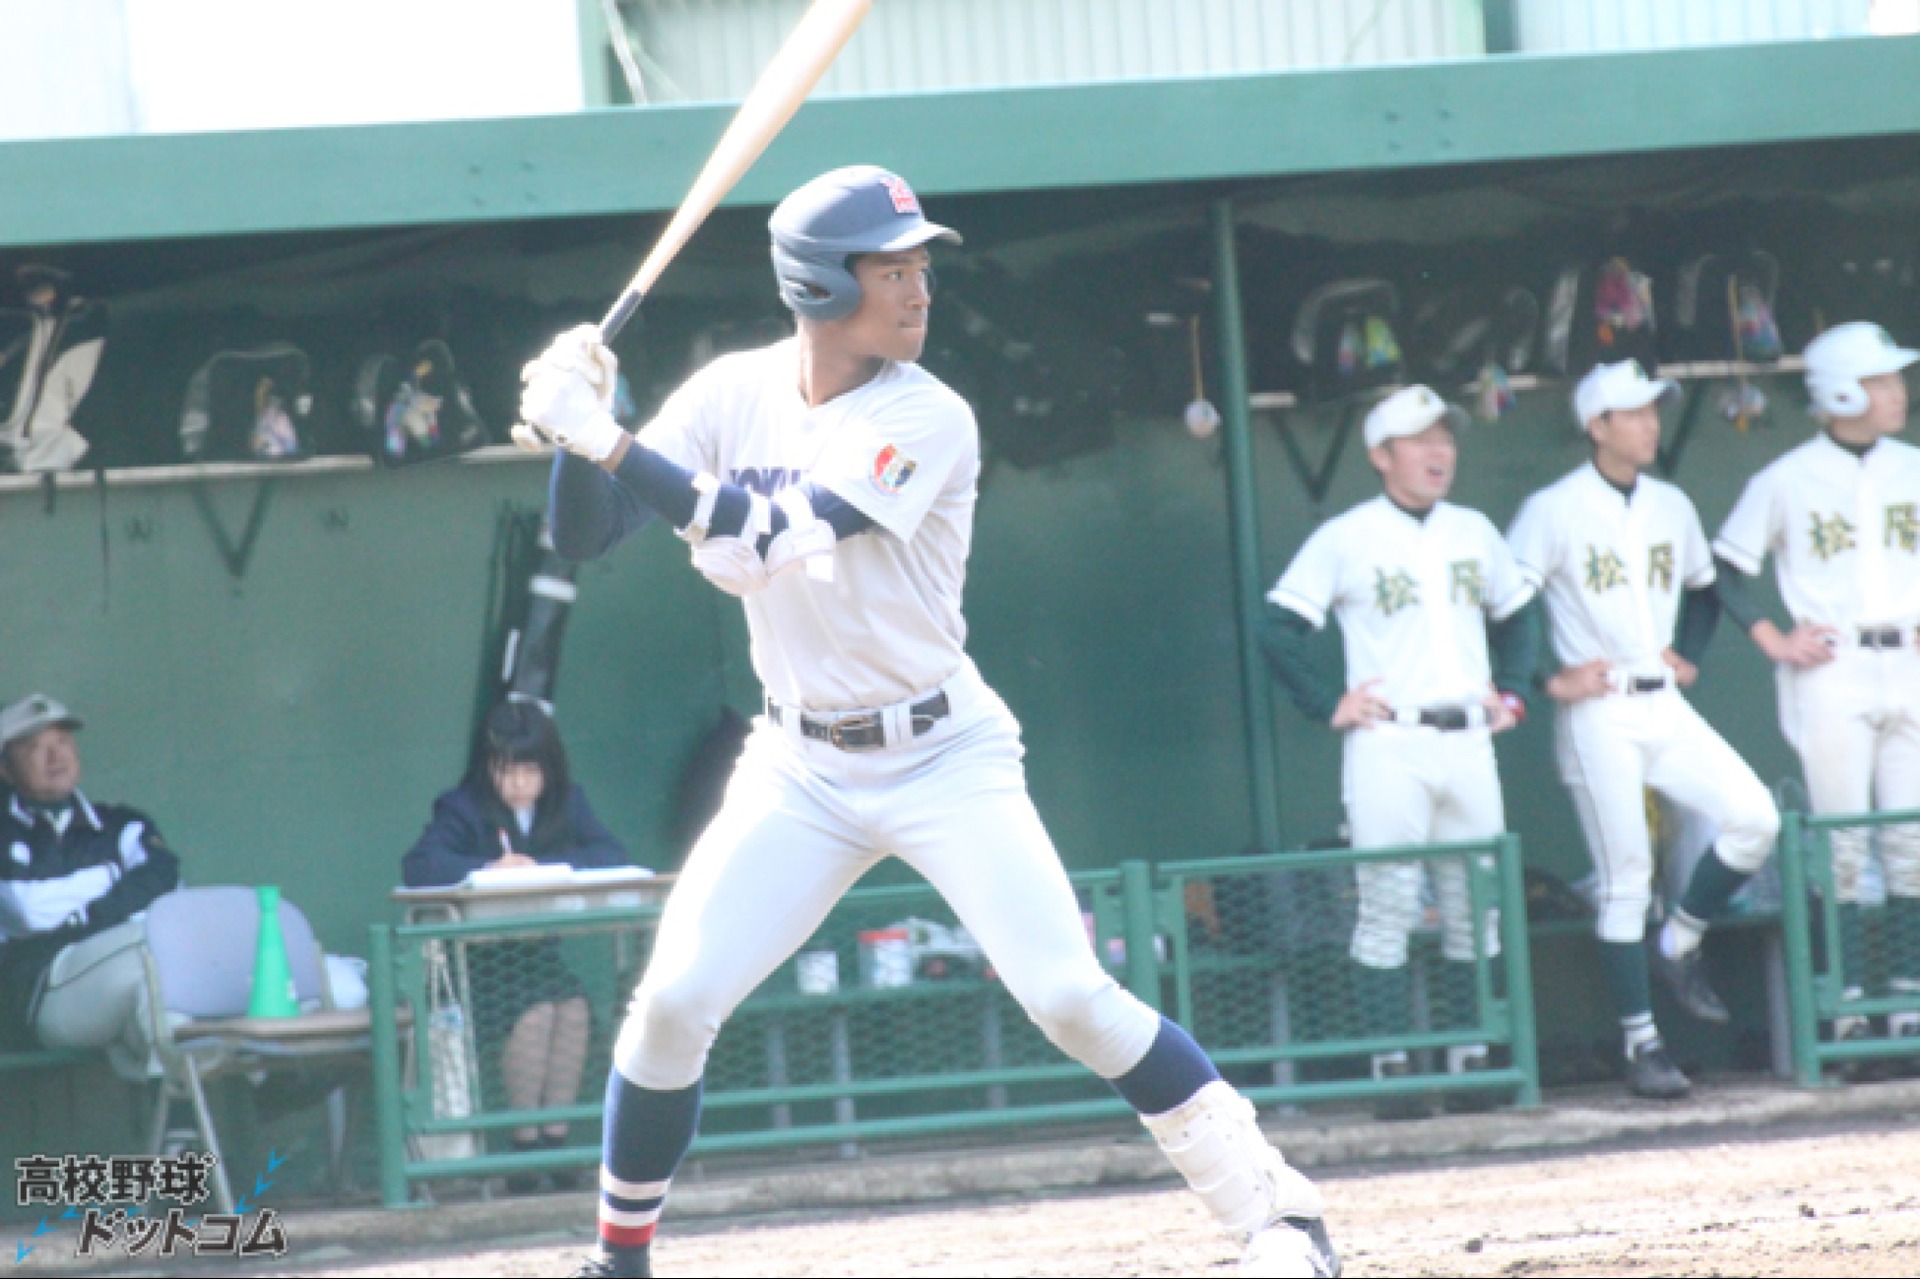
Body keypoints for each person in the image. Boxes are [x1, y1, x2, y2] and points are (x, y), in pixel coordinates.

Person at [519, 166, 1341, 1279]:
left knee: (1069, 997)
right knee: (670, 1004)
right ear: (819, 283)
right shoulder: (730, 391)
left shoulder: (928, 413)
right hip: (799, 764)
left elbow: (770, 535)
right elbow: (587, 533)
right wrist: (574, 429)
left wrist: (610, 440)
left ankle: (1280, 1217)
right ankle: (619, 1262)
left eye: (920, 267)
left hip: (944, 752)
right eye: (891, 268)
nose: (919, 290)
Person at [1260, 385, 1539, 1116]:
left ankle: (1473, 1058)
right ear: (1382, 456)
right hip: (1389, 741)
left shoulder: (1474, 530)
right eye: (1420, 440)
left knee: (1474, 904)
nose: (1439, 452)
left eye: (1444, 438)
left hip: (1468, 737)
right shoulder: (1348, 535)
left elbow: (1519, 616)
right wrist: (1328, 703)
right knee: (1386, 905)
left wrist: (1513, 693)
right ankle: (1393, 1071)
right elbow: (1277, 628)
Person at [1507, 360, 1780, 1100]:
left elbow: (1706, 588)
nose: (1650, 423)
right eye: (1633, 413)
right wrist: (1545, 679)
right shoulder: (1553, 508)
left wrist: (1689, 653)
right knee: (1626, 877)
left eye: (1654, 410)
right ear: (1598, 427)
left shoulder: (1670, 504)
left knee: (1755, 817)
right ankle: (1643, 1045)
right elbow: (1509, 604)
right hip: (1598, 713)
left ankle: (1679, 940)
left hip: (1663, 703)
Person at [1713, 322, 1920, 1049]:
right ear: (1841, 392)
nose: (1898, 392)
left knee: (1911, 841)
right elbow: (1724, 568)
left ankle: (1908, 1007)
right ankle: (1847, 1011)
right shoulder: (1788, 477)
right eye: (1881, 381)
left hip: (1909, 661)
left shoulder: (1913, 466)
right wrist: (1773, 638)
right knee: (1844, 848)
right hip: (1834, 668)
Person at [402, 699, 631, 1193]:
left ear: (550, 769)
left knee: (573, 1010)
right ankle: (524, 1148)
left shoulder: (568, 802)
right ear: (488, 768)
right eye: (507, 771)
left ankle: (556, 1138)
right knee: (536, 1013)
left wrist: (547, 867)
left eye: (531, 771)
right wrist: (487, 869)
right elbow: (420, 865)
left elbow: (611, 854)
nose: (520, 783)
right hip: (478, 961)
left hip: (539, 954)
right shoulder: (462, 807)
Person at [0, 693, 180, 1077]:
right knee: (153, 966)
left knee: (156, 1001)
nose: (55, 756)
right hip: (36, 991)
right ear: (6, 770)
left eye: (62, 741)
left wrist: (79, 916)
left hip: (123, 975)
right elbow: (27, 911)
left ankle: (178, 1115)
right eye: (34, 748)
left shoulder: (121, 824)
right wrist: (116, 904)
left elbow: (165, 883)